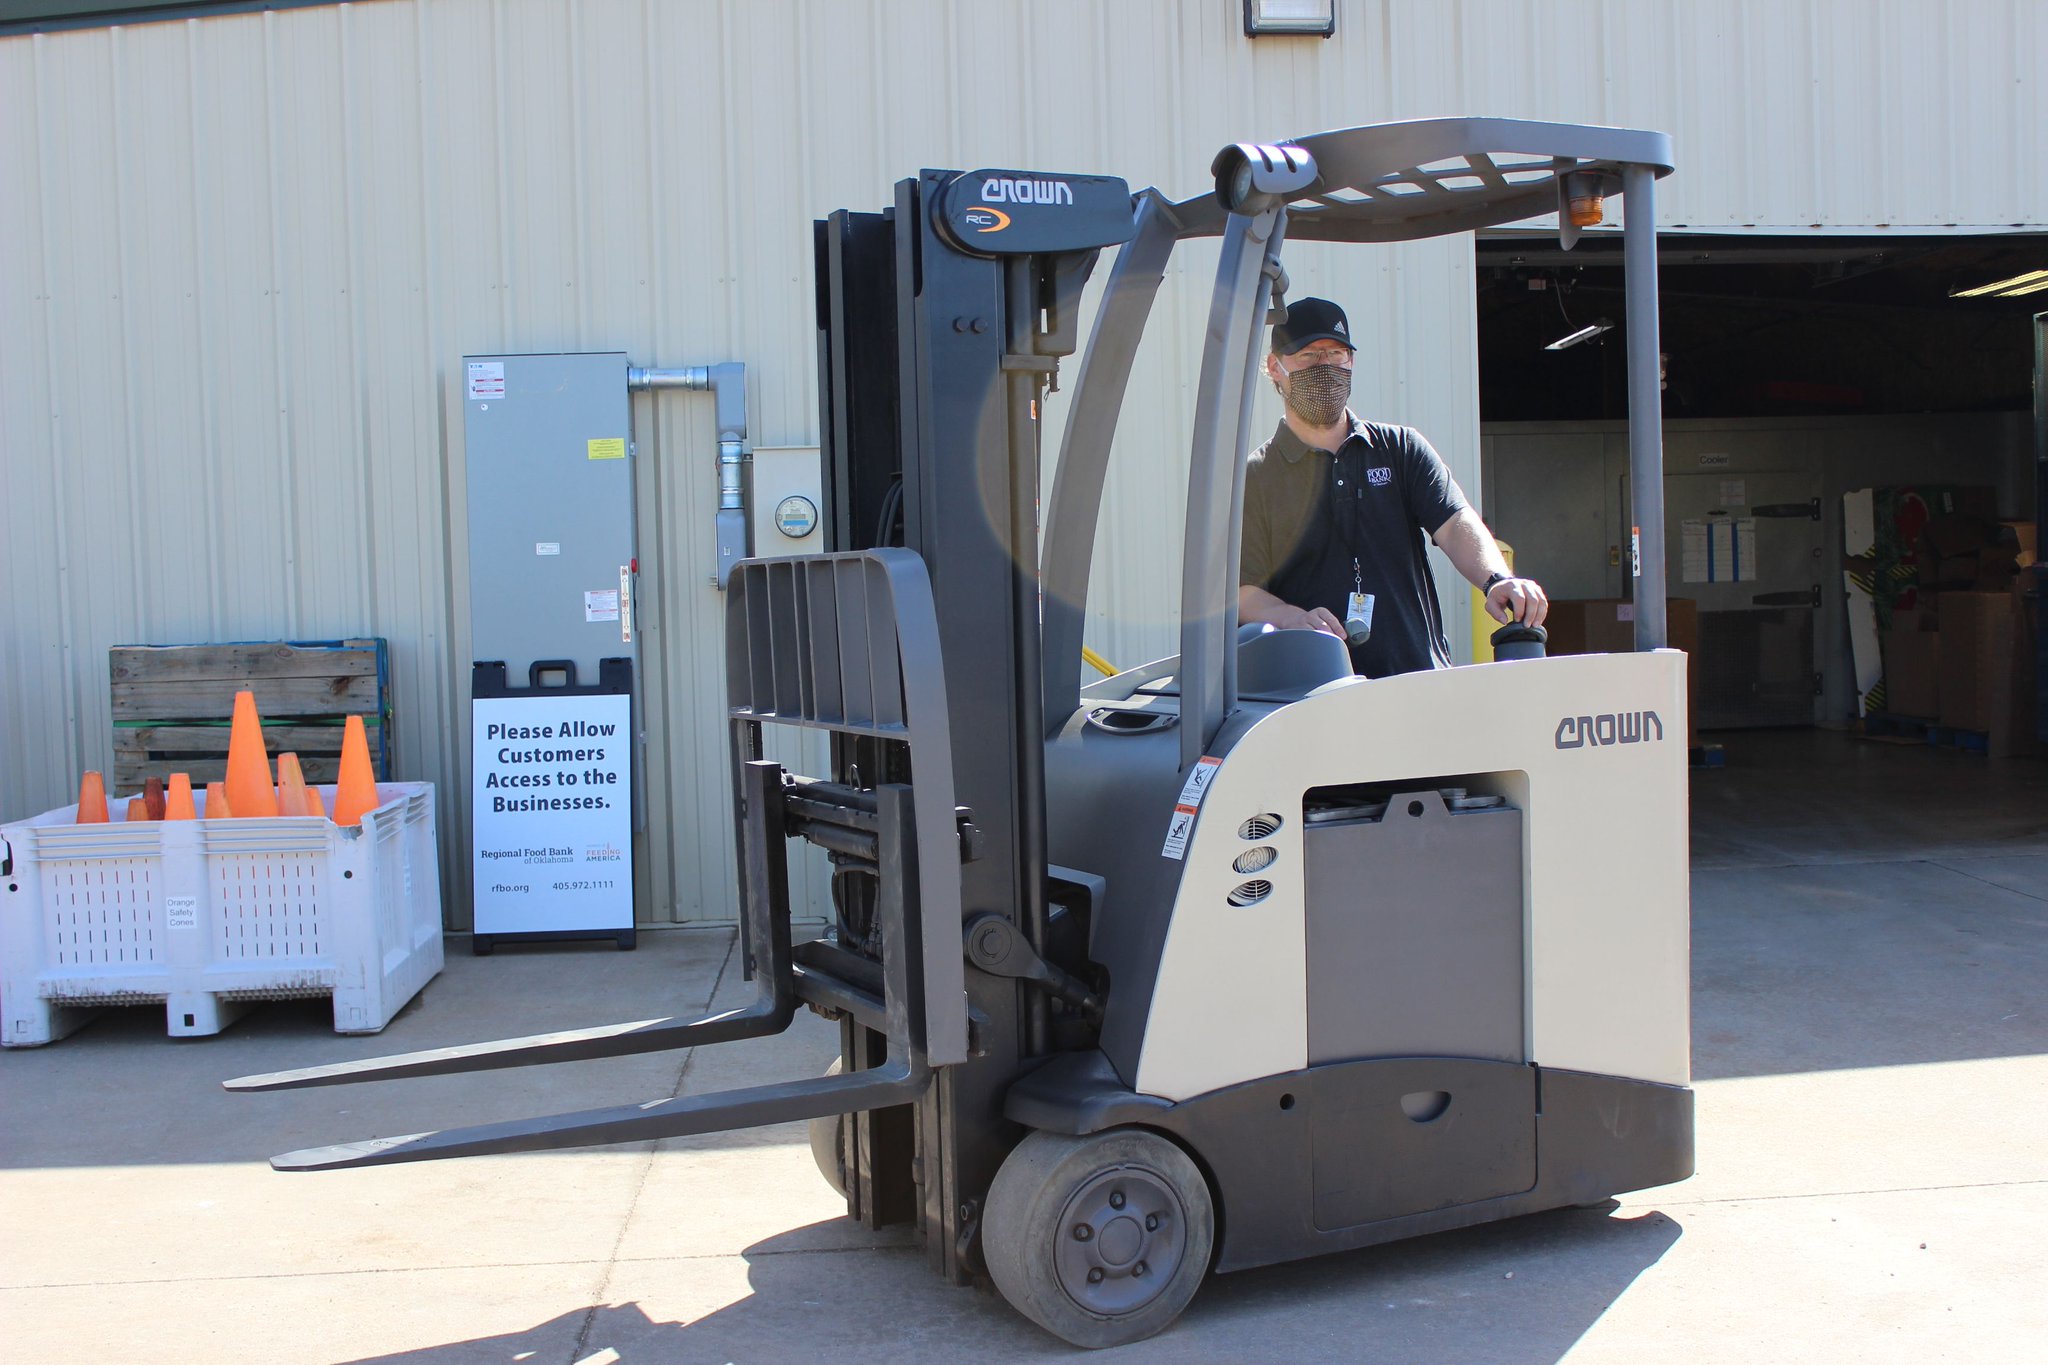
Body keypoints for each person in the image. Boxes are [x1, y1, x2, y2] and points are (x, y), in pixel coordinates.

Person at [1238, 297, 1547, 678]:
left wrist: (1498, 579)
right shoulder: (1257, 476)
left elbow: (1454, 523)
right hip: (1314, 693)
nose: (1326, 367)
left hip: (1415, 683)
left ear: (1351, 361)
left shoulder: (1400, 449)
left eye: (1336, 354)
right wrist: (1290, 617)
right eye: (1309, 356)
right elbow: (1242, 592)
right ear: (1276, 367)